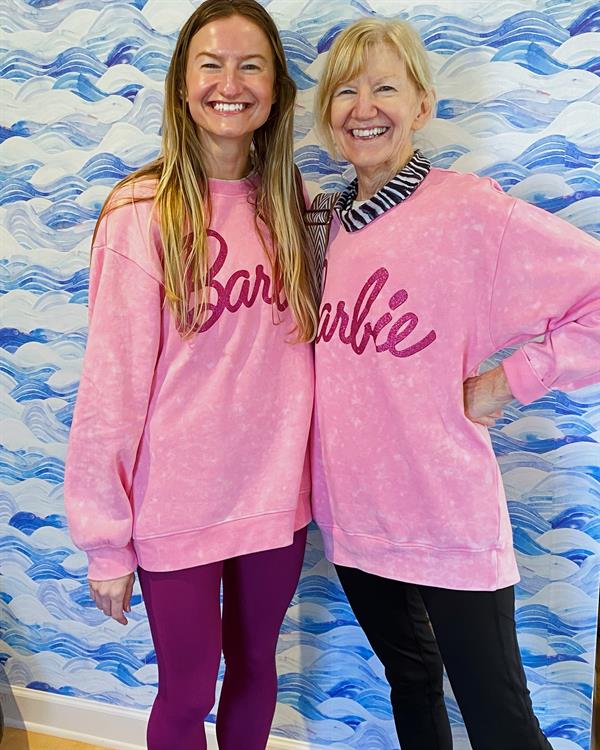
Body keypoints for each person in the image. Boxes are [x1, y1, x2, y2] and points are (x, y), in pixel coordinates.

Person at [310, 17, 600, 750]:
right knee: (411, 686)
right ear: (327, 112)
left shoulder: (470, 212)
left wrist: (512, 380)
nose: (364, 106)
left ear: (422, 106)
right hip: (353, 516)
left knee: (500, 718)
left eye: (385, 87)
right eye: (346, 89)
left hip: (447, 518)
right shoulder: (321, 223)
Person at [64, 2, 318, 749]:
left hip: (275, 498)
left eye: (252, 65)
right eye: (211, 63)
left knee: (256, 668)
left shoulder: (293, 204)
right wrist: (106, 542)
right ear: (182, 84)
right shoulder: (139, 213)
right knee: (186, 687)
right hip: (175, 505)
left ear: (275, 89)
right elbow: (108, 388)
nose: (230, 83)